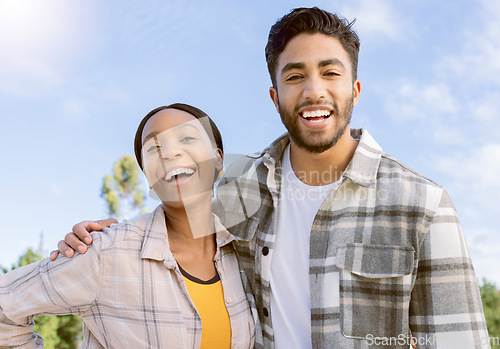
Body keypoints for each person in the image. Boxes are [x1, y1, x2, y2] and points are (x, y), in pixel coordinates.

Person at [54, 7, 490, 349]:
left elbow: (457, 341)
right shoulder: (237, 192)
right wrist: (92, 240)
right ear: (274, 96)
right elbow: (170, 233)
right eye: (295, 76)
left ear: (354, 89)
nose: (313, 90)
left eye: (331, 72)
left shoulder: (422, 204)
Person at [0, 103, 257, 348]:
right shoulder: (105, 252)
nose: (169, 153)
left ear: (219, 158)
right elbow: (5, 308)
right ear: (147, 174)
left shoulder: (250, 252)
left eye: (187, 138)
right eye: (153, 148)